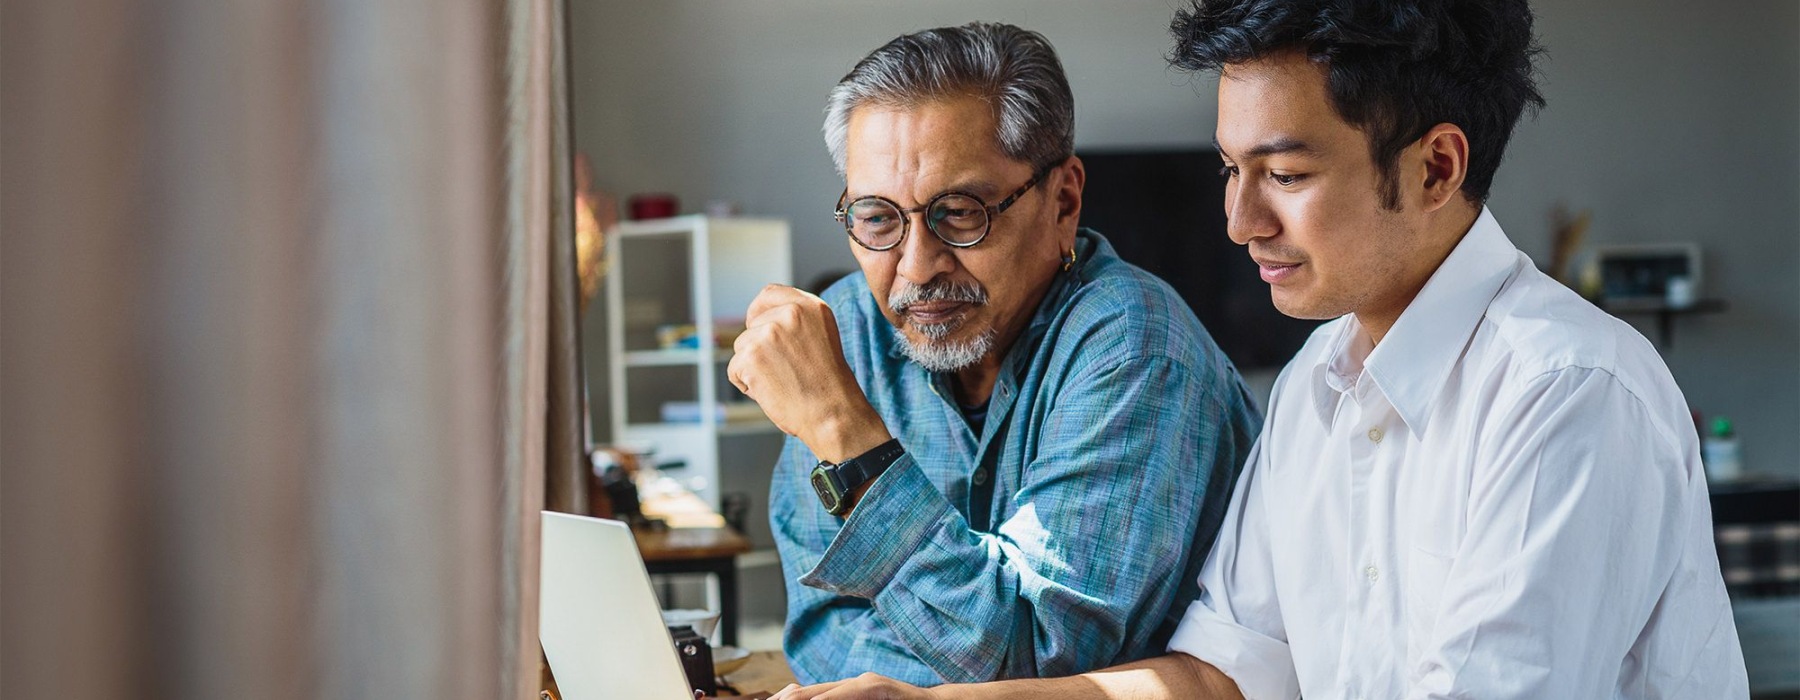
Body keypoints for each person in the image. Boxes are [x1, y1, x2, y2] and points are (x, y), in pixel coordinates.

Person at [767, 1, 1749, 698]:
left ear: (1437, 166)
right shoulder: (1318, 389)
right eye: (1231, 170)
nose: (1239, 220)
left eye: (1282, 173)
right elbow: (1219, 674)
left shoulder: (1564, 390)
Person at [724, 22, 1262, 687]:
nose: (916, 266)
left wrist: (848, 437)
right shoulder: (850, 332)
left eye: (960, 211)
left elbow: (1039, 657)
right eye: (877, 216)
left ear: (1063, 200)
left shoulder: (1137, 345)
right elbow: (823, 625)